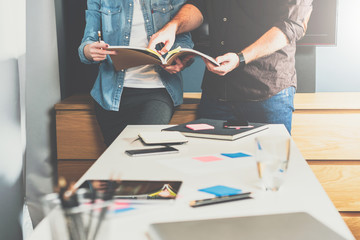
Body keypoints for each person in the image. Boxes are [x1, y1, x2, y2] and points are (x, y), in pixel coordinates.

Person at [148, 1, 313, 134]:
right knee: (212, 170)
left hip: (267, 93)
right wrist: (173, 26)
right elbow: (199, 6)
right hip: (217, 93)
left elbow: (292, 25)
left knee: (270, 171)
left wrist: (240, 58)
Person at [78, 0, 193, 146]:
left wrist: (178, 57)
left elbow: (183, 37)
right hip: (111, 95)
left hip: (157, 91)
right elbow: (88, 41)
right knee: (117, 158)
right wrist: (88, 51)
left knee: (145, 151)